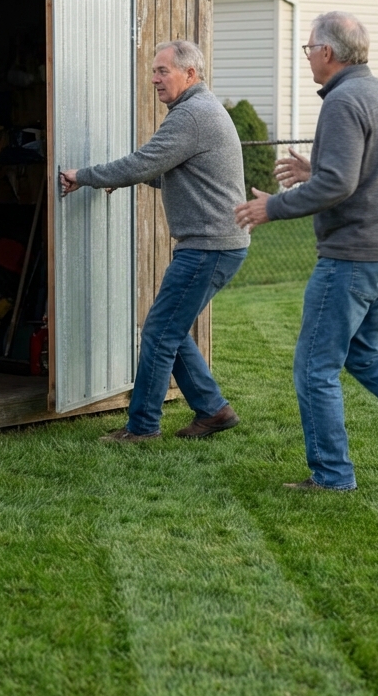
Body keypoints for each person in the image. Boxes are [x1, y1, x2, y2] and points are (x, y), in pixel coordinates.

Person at [236, 11, 378, 491]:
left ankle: (332, 475)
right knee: (365, 355)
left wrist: (273, 207)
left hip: (355, 257)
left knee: (315, 367)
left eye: (309, 47)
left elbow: (340, 183)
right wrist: (315, 167)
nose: (308, 55)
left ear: (328, 53)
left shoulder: (342, 101)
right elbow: (361, 169)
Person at [60, 39, 249, 442]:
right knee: (171, 329)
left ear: (190, 74)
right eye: (154, 71)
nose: (154, 79)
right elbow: (170, 171)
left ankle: (142, 427)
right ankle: (213, 410)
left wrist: (87, 175)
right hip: (219, 243)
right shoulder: (201, 109)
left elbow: (145, 162)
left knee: (159, 332)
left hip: (208, 246)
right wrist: (120, 179)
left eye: (163, 71)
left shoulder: (191, 114)